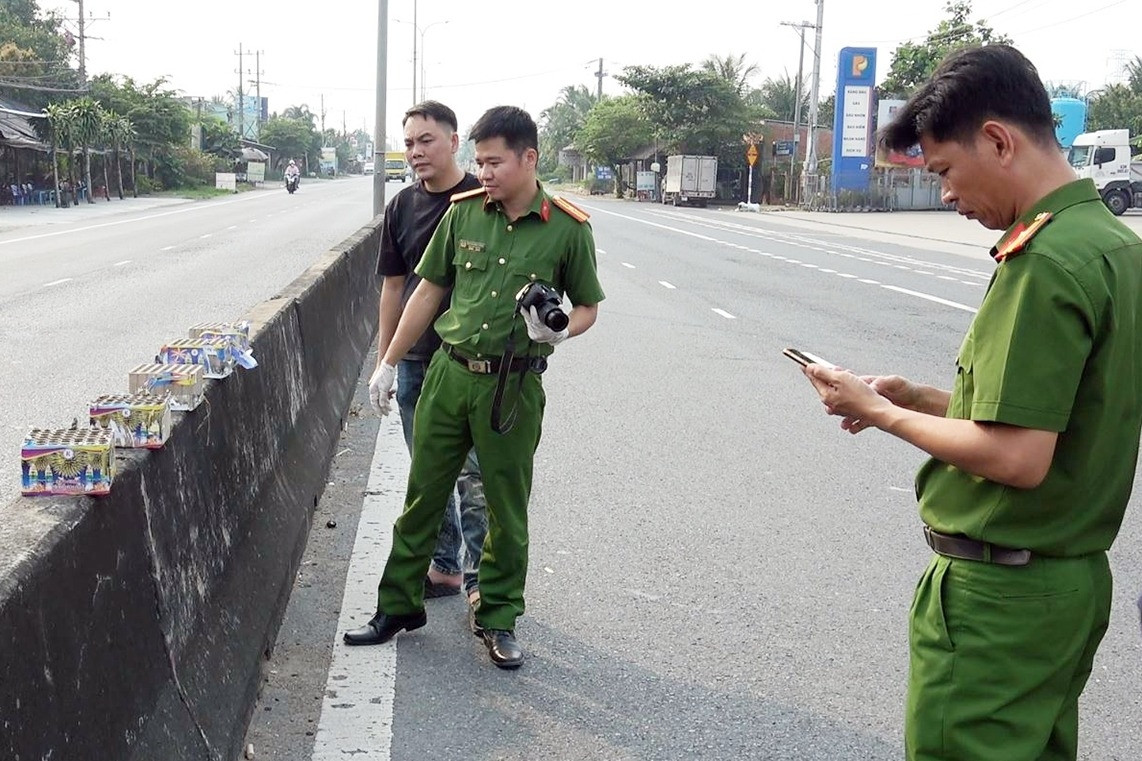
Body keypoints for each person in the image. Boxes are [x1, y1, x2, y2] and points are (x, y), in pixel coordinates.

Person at [796, 44, 1142, 761]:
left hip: (999, 602)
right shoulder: (1112, 245)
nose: (947, 196)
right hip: (1068, 584)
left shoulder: (1044, 260)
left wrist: (882, 412)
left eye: (947, 171)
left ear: (997, 140)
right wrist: (918, 396)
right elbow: (1049, 419)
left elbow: (1017, 456)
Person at [343, 105, 605, 669]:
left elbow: (587, 306)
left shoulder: (567, 228)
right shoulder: (462, 216)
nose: (482, 172)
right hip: (448, 375)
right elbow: (426, 291)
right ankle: (399, 606)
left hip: (510, 390)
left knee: (506, 508)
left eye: (494, 162)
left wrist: (556, 331)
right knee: (423, 497)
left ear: (528, 158)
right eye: (479, 162)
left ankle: (499, 617)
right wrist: (387, 361)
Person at [373, 100, 487, 605]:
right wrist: (385, 362)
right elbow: (395, 288)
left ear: (454, 142)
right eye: (409, 143)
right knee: (428, 471)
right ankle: (443, 567)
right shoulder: (401, 206)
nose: (416, 152)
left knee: (474, 474)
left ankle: (483, 580)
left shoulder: (484, 200)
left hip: (470, 363)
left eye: (426, 141)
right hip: (417, 359)